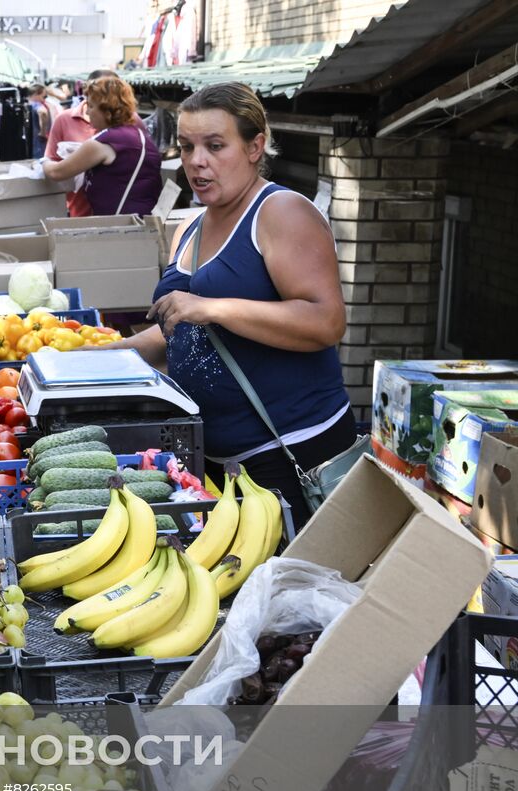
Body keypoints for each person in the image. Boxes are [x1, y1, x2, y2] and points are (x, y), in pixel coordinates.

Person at [97, 83, 352, 521]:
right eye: (187, 146)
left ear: (255, 147)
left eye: (216, 146)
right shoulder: (190, 230)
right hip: (216, 461)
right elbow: (179, 330)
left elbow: (326, 322)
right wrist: (87, 360)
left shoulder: (281, 213)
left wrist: (213, 307)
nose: (197, 162)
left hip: (294, 453)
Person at [42, 75, 162, 217]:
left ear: (107, 109)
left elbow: (56, 172)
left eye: (91, 106)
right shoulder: (135, 134)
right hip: (141, 221)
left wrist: (44, 162)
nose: (87, 112)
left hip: (121, 226)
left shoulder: (104, 142)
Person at [44, 69, 118, 217]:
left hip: (116, 214)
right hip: (78, 212)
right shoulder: (64, 120)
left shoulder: (127, 123)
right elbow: (52, 163)